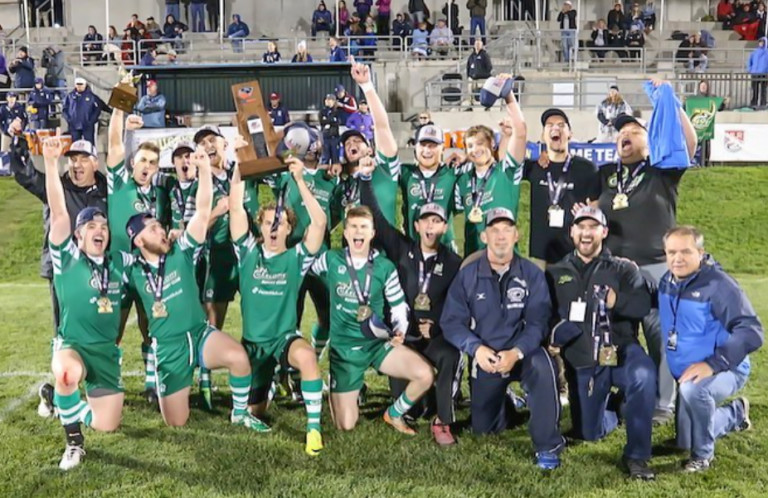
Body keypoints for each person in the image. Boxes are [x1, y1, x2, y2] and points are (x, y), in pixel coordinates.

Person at [124, 148, 269, 432]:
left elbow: (203, 213)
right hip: (169, 349)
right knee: (177, 422)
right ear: (139, 242)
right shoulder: (132, 270)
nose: (161, 231)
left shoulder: (181, 252)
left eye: (158, 225)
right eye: (152, 230)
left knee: (239, 358)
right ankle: (168, 384)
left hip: (199, 334)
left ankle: (240, 414)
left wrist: (203, 170)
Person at [596, 80, 698, 425]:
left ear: (648, 139)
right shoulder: (608, 177)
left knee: (661, 337)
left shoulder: (661, 171)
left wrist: (673, 103)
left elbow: (689, 142)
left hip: (656, 268)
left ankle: (662, 405)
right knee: (618, 337)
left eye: (633, 131)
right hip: (616, 272)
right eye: (620, 132)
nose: (624, 135)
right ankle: (626, 394)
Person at [441, 207, 565, 469]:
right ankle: (507, 402)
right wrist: (476, 349)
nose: (500, 236)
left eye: (507, 229)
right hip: (488, 356)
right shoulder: (468, 275)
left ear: (516, 235)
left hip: (525, 352)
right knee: (484, 429)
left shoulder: (532, 274)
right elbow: (451, 322)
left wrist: (517, 352)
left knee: (544, 369)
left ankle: (548, 445)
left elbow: (538, 322)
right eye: (494, 230)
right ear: (484, 236)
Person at [36, 135, 128, 471]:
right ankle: (74, 443)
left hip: (106, 352)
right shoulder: (66, 258)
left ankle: (65, 405)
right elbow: (59, 211)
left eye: (103, 224)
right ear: (78, 235)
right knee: (65, 373)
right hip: (73, 345)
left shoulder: (119, 263)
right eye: (90, 225)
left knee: (107, 423)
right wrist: (49, 163)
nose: (99, 229)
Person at [546, 206, 656, 480]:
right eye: (581, 227)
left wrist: (616, 302)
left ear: (603, 232)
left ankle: (638, 456)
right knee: (589, 433)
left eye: (593, 227)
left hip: (619, 352)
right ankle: (616, 409)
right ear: (572, 232)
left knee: (643, 374)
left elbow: (643, 305)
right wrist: (555, 335)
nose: (586, 233)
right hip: (583, 358)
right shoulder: (556, 271)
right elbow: (546, 316)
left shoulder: (623, 268)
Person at [231, 152, 327, 455]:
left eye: (281, 222)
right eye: (269, 222)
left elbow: (320, 221)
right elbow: (235, 208)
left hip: (283, 339)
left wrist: (299, 180)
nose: (274, 227)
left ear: (289, 228)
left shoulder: (296, 258)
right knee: (253, 412)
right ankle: (270, 382)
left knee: (309, 358)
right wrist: (238, 166)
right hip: (251, 346)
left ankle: (313, 430)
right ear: (259, 225)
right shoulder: (247, 253)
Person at [310, 205, 435, 434]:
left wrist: (400, 329)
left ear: (372, 233)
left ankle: (394, 414)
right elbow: (304, 270)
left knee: (425, 374)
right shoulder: (330, 260)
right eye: (354, 227)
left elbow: (398, 305)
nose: (358, 232)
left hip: (376, 344)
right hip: (344, 351)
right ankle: (340, 386)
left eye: (364, 227)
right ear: (346, 233)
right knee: (345, 425)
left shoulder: (384, 267)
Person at [360, 170, 463, 445]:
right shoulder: (400, 247)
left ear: (444, 227)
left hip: (433, 337)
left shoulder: (453, 262)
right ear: (416, 225)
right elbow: (377, 219)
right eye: (425, 220)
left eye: (437, 221)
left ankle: (443, 420)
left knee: (451, 354)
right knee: (414, 410)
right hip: (403, 337)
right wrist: (365, 179)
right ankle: (407, 408)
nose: (431, 226)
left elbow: (459, 305)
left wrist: (438, 325)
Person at [658, 226, 763, 472]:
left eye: (686, 251)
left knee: (694, 392)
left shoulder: (719, 284)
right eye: (671, 252)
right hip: (686, 372)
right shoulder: (668, 280)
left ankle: (702, 456)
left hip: (724, 369)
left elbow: (752, 331)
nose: (678, 258)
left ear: (701, 253)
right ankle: (736, 414)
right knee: (684, 439)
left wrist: (713, 364)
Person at [9, 123, 107, 338]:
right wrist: (18, 141)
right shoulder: (56, 187)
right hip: (63, 269)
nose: (76, 164)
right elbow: (23, 173)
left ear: (95, 163)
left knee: (98, 325)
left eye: (83, 159)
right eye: (72, 159)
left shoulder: (108, 191)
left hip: (99, 269)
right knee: (64, 325)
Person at [106, 109, 172, 404]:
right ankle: (111, 382)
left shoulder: (159, 197)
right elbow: (114, 144)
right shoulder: (120, 183)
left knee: (150, 325)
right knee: (113, 329)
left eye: (153, 163)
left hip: (147, 272)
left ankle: (151, 384)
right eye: (143, 160)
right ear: (133, 163)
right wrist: (120, 109)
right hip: (118, 270)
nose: (147, 166)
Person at [454, 74, 525, 256]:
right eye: (470, 146)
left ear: (492, 144)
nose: (475, 150)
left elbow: (521, 131)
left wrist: (508, 95)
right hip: (474, 260)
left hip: (506, 258)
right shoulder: (462, 180)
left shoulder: (506, 171)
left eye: (480, 143)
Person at [63, 78, 103, 144]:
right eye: (77, 84)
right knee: (75, 144)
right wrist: (69, 119)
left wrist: (92, 120)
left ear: (85, 85)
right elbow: (64, 109)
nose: (79, 86)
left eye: (81, 84)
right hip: (74, 125)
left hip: (87, 125)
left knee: (89, 144)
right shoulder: (70, 96)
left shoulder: (92, 96)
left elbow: (97, 109)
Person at [320, 94, 341, 165]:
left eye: (329, 100)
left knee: (335, 158)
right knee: (325, 158)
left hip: (334, 137)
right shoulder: (323, 111)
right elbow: (322, 121)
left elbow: (337, 122)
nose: (327, 101)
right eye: (326, 99)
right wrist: (331, 120)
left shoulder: (337, 111)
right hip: (325, 137)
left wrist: (328, 120)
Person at [747, 37, 768, 109]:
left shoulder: (767, 52)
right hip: (755, 73)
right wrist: (750, 69)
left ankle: (763, 103)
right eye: (760, 42)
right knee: (754, 89)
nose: (761, 43)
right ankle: (754, 103)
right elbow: (749, 61)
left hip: (764, 74)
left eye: (762, 42)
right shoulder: (754, 52)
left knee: (763, 89)